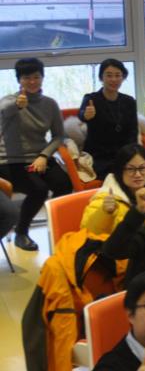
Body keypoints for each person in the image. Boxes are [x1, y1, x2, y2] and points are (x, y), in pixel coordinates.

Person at [0, 57, 70, 251]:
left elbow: (59, 136)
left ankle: (56, 226)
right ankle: (21, 232)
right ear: (19, 80)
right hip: (10, 161)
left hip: (39, 158)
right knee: (38, 189)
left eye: (36, 77)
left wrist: (44, 155)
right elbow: (4, 111)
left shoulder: (50, 104)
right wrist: (17, 105)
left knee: (64, 184)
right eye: (26, 78)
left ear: (42, 78)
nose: (32, 81)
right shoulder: (9, 101)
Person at [81, 144, 145, 235]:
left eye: (142, 168)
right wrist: (104, 213)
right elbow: (87, 233)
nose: (138, 174)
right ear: (119, 170)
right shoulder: (106, 198)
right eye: (130, 169)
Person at [77, 58, 138, 179]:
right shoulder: (91, 99)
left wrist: (131, 153)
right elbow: (82, 114)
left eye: (118, 75)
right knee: (119, 173)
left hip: (123, 153)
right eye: (109, 75)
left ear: (123, 78)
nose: (113, 79)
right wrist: (86, 115)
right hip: (99, 155)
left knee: (141, 168)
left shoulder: (129, 101)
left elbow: (133, 131)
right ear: (101, 78)